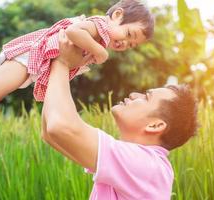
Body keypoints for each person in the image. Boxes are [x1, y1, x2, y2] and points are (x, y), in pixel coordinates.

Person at [0, 0, 154, 153]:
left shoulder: (101, 37)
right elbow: (73, 32)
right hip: (29, 55)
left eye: (131, 45)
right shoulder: (99, 26)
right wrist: (99, 52)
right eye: (129, 34)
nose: (125, 44)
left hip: (34, 65)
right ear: (118, 15)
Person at [42, 30, 198, 199]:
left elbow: (60, 127)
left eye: (146, 97)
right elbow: (50, 133)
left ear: (155, 125)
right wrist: (58, 65)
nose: (133, 95)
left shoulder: (148, 166)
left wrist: (63, 62)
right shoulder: (136, 164)